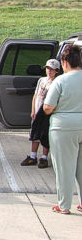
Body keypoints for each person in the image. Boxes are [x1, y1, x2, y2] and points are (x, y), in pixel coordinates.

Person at [43, 44, 82, 215]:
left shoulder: (61, 80)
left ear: (65, 62)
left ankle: (64, 204)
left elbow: (48, 106)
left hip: (64, 126)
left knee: (64, 167)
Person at [21, 58, 60, 169]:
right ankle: (33, 156)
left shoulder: (56, 83)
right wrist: (33, 110)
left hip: (47, 113)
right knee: (34, 133)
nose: (49, 71)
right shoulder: (41, 80)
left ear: (57, 71)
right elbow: (35, 96)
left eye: (52, 69)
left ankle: (44, 157)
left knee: (45, 135)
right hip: (37, 111)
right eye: (48, 68)